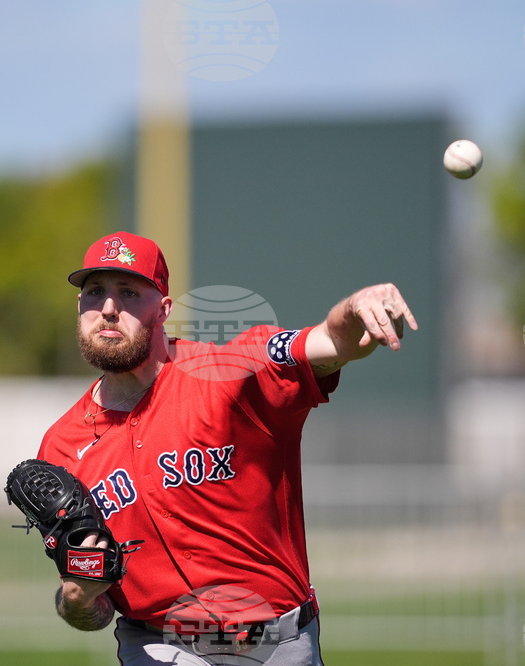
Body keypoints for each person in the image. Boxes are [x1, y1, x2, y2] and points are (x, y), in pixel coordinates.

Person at [36, 231, 417, 665]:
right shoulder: (61, 446)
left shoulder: (228, 376)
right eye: (94, 292)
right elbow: (95, 611)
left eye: (128, 292)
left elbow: (331, 342)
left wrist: (354, 308)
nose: (108, 308)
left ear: (162, 310)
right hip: (156, 647)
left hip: (276, 645)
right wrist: (77, 600)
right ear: (80, 307)